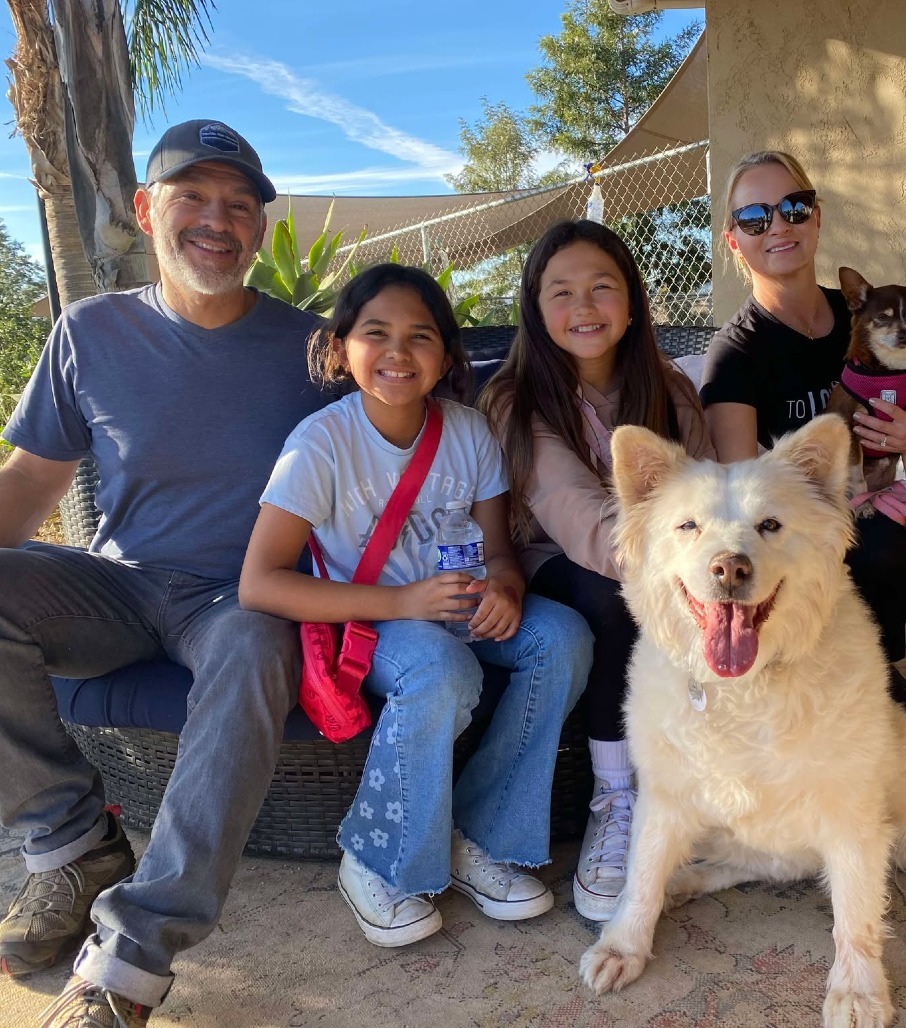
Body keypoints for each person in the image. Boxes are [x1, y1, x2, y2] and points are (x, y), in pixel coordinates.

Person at [0, 119, 327, 1025]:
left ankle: (130, 960)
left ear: (262, 225)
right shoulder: (90, 331)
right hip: (118, 587)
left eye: (239, 204)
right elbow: (31, 480)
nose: (217, 221)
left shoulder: (316, 350)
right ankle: (70, 846)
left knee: (257, 645)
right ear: (147, 211)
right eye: (193, 198)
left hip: (239, 597)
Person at [238, 263, 592, 947]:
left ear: (447, 357)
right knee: (439, 666)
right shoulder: (321, 444)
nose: (399, 354)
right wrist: (402, 600)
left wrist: (508, 590)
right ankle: (376, 855)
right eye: (377, 334)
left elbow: (498, 553)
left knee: (563, 637)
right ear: (341, 349)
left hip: (456, 608)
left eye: (420, 337)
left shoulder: (467, 431)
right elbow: (261, 581)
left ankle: (479, 837)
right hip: (372, 620)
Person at [700, 149, 906, 862]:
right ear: (735, 241)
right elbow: (742, 487)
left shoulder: (872, 312)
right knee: (871, 556)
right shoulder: (738, 354)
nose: (777, 226)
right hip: (802, 536)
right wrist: (841, 515)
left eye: (793, 206)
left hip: (881, 495)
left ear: (816, 216)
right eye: (754, 217)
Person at [478, 220, 716, 922]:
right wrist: (694, 571)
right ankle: (616, 798)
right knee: (615, 597)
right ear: (535, 307)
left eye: (602, 288)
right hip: (560, 561)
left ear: (634, 301)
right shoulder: (514, 400)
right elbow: (579, 518)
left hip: (667, 556)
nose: (584, 307)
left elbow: (710, 485)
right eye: (563, 292)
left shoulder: (667, 387)